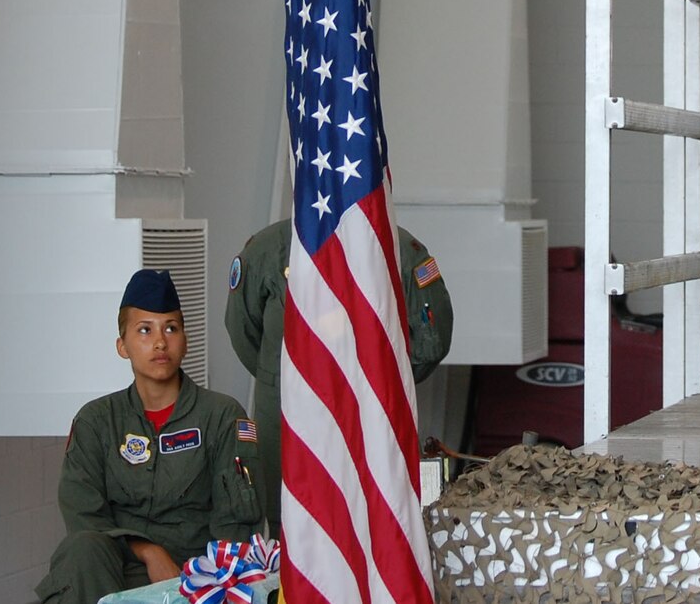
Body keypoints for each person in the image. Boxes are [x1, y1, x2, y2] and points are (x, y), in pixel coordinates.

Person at [36, 269, 262, 604]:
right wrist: (146, 551)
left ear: (185, 340)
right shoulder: (96, 422)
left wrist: (203, 583)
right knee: (79, 550)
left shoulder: (222, 417)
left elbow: (235, 525)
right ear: (122, 346)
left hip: (196, 577)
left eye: (171, 328)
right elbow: (83, 517)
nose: (159, 342)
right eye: (144, 330)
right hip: (116, 572)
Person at [225, 218, 454, 532]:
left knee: (377, 532)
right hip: (290, 423)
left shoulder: (400, 250)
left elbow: (431, 343)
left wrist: (375, 381)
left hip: (367, 421)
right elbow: (246, 336)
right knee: (293, 536)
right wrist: (298, 380)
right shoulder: (266, 250)